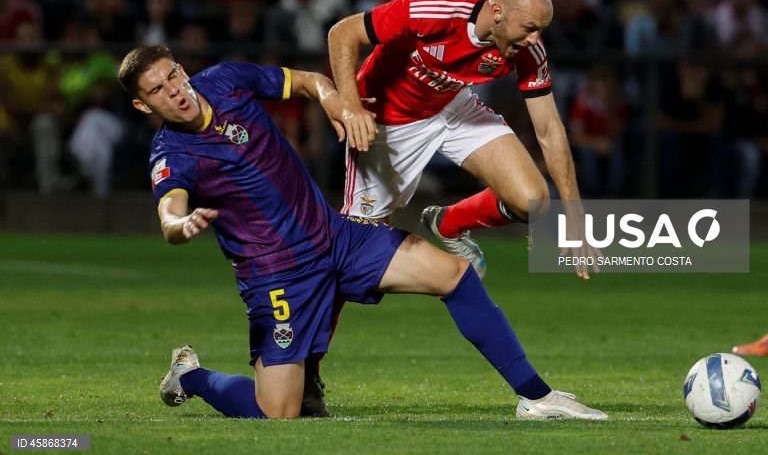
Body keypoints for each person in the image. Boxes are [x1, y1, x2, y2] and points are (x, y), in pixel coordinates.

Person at [117, 45, 607, 421]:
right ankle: (191, 376)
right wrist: (181, 225)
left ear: (181, 68)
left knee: (454, 274)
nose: (173, 90)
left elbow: (308, 81)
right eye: (157, 90)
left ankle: (536, 396)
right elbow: (169, 212)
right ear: (143, 105)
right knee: (277, 413)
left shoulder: (225, 79)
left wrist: (337, 103)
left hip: (337, 238)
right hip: (277, 276)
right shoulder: (172, 154)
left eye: (172, 75)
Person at [327, 0, 599, 279]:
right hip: (388, 116)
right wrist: (350, 106)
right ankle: (302, 309)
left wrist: (574, 213)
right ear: (497, 12)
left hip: (451, 103)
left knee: (532, 202)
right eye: (529, 28)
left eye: (540, 30)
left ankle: (448, 224)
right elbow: (342, 33)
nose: (535, 39)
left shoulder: (528, 49)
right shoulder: (435, 8)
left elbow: (549, 128)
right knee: (358, 248)